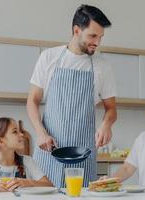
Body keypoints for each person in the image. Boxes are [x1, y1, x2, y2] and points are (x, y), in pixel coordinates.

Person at [27, 4, 117, 188]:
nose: (97, 42)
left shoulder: (102, 66)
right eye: (92, 35)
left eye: (100, 37)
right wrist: (40, 132)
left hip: (83, 154)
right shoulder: (49, 57)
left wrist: (106, 124)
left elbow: (111, 109)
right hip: (49, 150)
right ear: (76, 30)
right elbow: (32, 101)